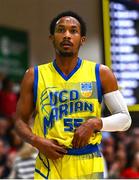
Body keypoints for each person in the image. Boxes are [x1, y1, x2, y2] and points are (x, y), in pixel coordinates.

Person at [15, 11, 131, 179]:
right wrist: (36, 141)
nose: (67, 35)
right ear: (52, 38)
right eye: (61, 30)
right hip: (49, 162)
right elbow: (19, 121)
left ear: (82, 40)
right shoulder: (34, 75)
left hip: (89, 162)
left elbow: (125, 120)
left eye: (73, 31)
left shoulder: (101, 73)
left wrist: (94, 123)